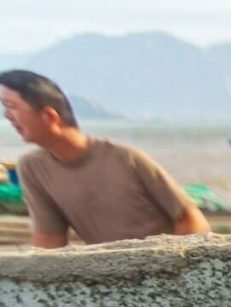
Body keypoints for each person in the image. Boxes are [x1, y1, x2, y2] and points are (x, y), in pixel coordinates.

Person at [2, 69, 209, 247]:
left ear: (49, 116)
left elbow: (192, 222)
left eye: (12, 106)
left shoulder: (126, 158)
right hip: (109, 275)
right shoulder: (33, 168)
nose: (7, 115)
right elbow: (50, 241)